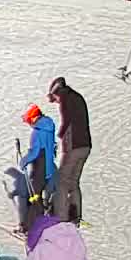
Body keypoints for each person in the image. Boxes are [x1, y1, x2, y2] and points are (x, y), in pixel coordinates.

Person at [47, 77, 90, 223]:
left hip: (74, 147)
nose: (56, 102)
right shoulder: (77, 97)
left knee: (61, 182)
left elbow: (67, 121)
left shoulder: (66, 99)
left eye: (55, 99)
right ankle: (76, 215)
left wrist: (60, 135)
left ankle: (61, 218)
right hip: (86, 146)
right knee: (74, 182)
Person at [16, 104, 57, 232]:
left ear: (33, 118)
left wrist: (24, 161)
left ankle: (28, 228)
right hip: (50, 167)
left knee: (33, 197)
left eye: (28, 120)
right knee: (46, 194)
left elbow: (35, 152)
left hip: (40, 168)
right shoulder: (49, 126)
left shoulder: (37, 133)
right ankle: (50, 219)